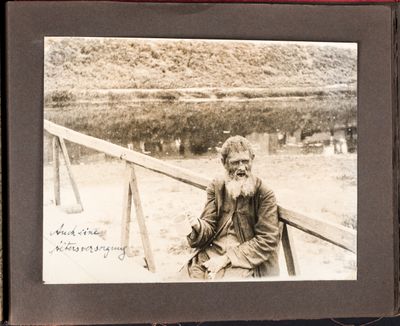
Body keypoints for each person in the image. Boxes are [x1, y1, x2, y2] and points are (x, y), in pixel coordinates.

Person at [184, 135, 280, 280]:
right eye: (235, 162)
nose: (241, 168)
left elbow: (267, 240)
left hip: (245, 261)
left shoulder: (264, 193)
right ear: (224, 163)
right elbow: (209, 226)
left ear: (252, 160)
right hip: (212, 253)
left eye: (245, 161)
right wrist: (197, 225)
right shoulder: (217, 187)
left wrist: (226, 259)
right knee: (181, 285)